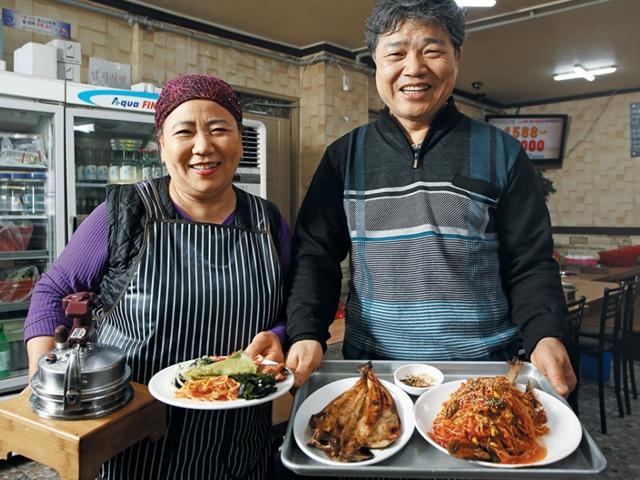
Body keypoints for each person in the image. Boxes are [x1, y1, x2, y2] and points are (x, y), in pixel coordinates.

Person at [285, 0, 575, 398]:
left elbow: (530, 263)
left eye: (432, 50)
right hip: (376, 375)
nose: (414, 68)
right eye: (396, 53)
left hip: (484, 374)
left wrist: (546, 334)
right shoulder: (344, 157)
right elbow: (314, 256)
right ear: (376, 62)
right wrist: (307, 332)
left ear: (456, 57)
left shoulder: (500, 152)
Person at [24, 73, 291, 480]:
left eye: (220, 129)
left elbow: (296, 304)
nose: (204, 146)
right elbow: (53, 292)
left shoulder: (268, 222)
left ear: (239, 140)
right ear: (162, 146)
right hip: (134, 446)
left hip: (239, 441)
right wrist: (44, 381)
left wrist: (281, 334)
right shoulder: (125, 214)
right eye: (184, 131)